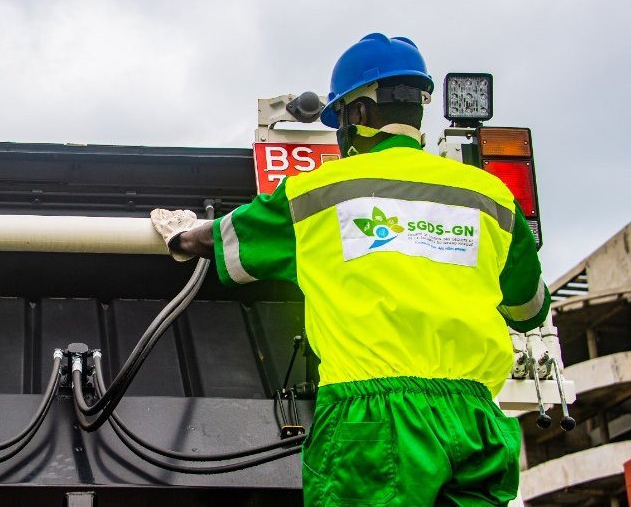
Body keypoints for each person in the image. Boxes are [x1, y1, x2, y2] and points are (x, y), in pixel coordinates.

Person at [151, 33, 549, 506]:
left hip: (372, 421)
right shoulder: (490, 196)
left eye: (339, 119)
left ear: (358, 115)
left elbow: (222, 240)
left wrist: (180, 235)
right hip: (476, 421)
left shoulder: (319, 193)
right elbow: (530, 310)